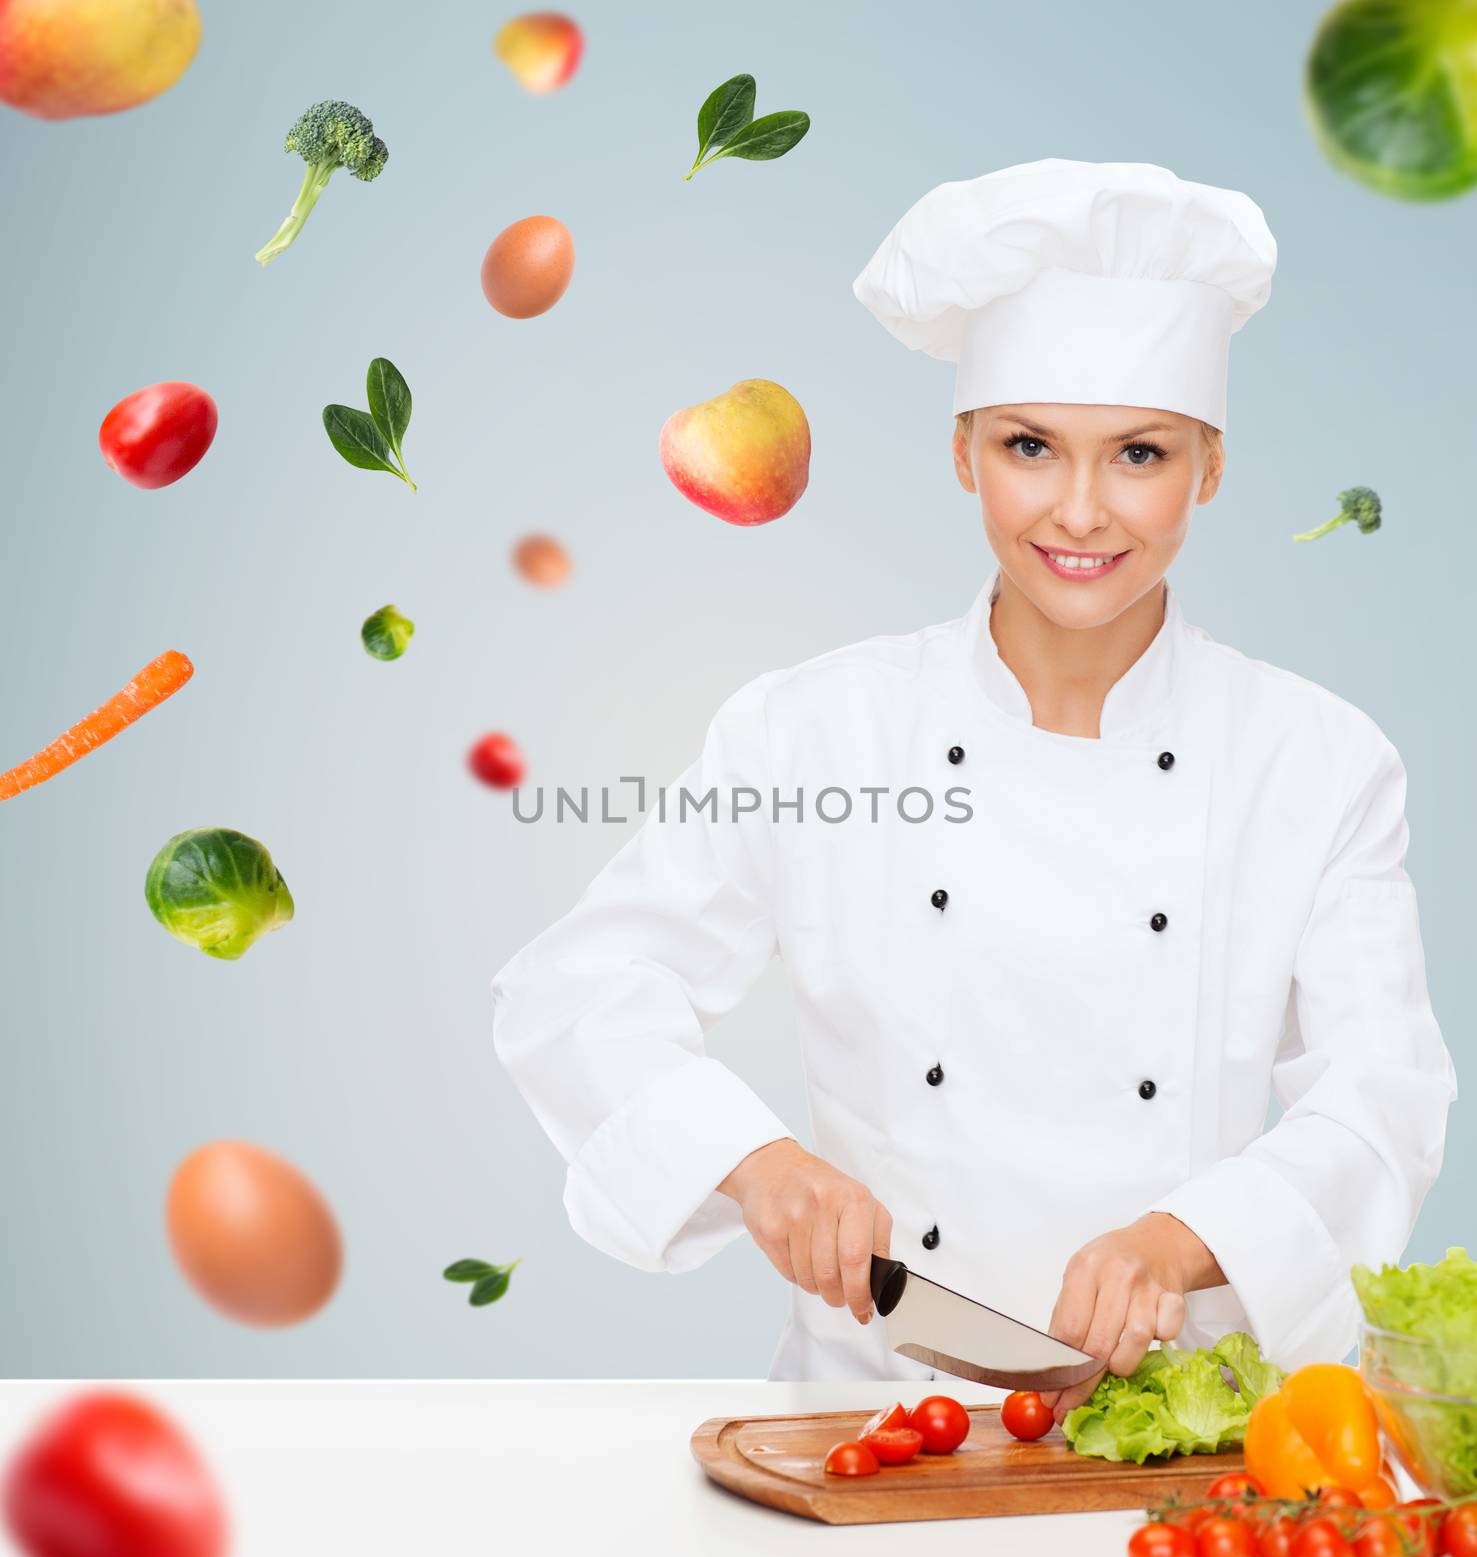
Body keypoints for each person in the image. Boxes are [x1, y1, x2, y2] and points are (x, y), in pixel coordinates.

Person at [490, 159, 1455, 1413]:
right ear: (962, 455)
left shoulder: (1316, 761)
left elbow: (1385, 1096)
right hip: (868, 1416)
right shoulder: (811, 734)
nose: (1080, 510)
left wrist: (1180, 1239)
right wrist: (757, 1161)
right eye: (1028, 446)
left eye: (1140, 455)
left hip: (1176, 1430)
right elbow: (576, 993)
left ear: (1208, 468)